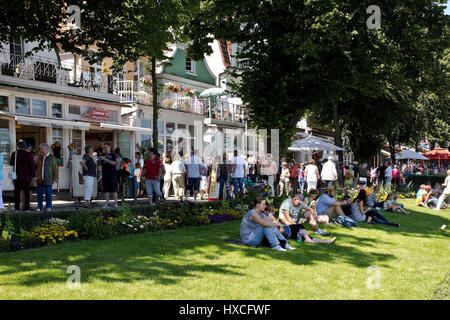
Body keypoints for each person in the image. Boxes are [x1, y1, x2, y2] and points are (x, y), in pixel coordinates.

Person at [266, 204, 335, 245]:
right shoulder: (267, 215)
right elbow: (276, 223)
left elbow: (276, 223)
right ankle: (308, 238)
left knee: (302, 236)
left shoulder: (265, 215)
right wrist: (279, 225)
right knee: (299, 226)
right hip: (286, 230)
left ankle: (326, 242)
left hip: (286, 231)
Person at [10, 142, 36, 211]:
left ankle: (17, 208)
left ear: (17, 147)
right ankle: (27, 208)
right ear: (25, 147)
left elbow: (11, 163)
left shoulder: (14, 154)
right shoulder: (28, 154)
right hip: (26, 177)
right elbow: (31, 166)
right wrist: (34, 175)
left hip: (17, 177)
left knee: (17, 193)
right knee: (27, 193)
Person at [36, 143, 58, 213]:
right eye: (40, 149)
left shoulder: (52, 157)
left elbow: (55, 168)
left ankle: (48, 206)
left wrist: (56, 177)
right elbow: (36, 166)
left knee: (48, 193)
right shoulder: (39, 157)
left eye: (42, 149)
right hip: (40, 178)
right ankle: (39, 206)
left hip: (48, 178)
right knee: (39, 194)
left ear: (46, 149)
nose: (41, 150)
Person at [98, 143, 118, 208]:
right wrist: (99, 159)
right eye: (104, 148)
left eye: (106, 147)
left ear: (110, 148)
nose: (105, 149)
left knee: (114, 189)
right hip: (105, 174)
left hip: (112, 174)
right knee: (106, 189)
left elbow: (114, 163)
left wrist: (105, 159)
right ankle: (107, 203)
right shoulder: (102, 154)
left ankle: (115, 203)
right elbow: (99, 164)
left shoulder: (113, 154)